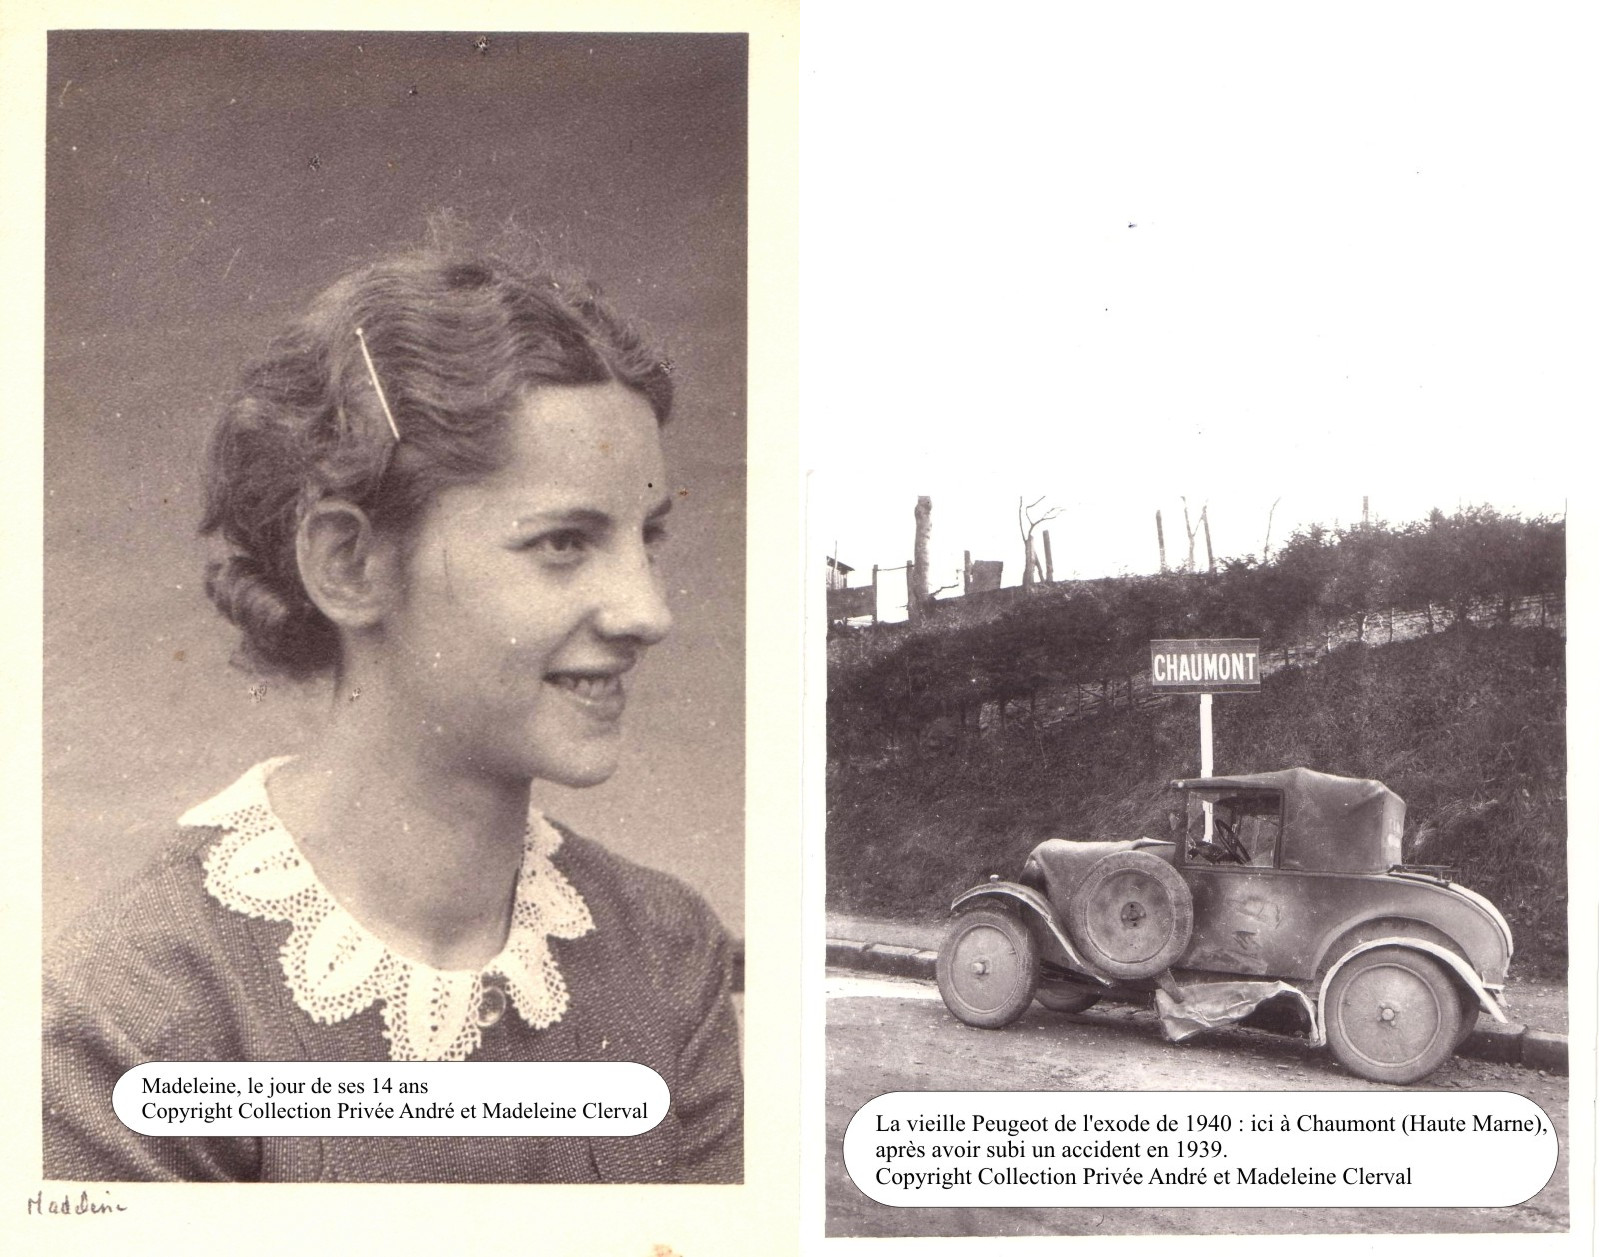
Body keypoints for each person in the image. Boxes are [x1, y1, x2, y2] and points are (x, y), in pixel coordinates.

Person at [43, 242, 743, 1183]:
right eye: (564, 541)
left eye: (645, 539)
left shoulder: (670, 954)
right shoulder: (136, 1011)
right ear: (349, 564)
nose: (647, 611)